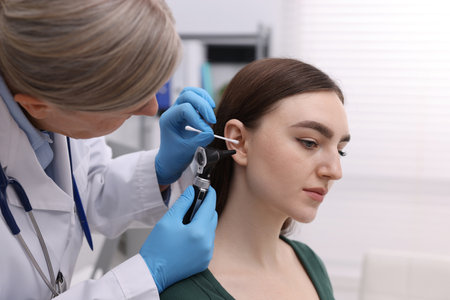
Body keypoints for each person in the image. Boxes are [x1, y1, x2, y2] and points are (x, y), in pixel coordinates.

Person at [0, 0, 218, 299]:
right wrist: (145, 276)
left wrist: (159, 172)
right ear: (36, 105)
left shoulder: (61, 102)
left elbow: (85, 187)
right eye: (129, 102)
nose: (152, 108)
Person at [160, 58, 351, 300]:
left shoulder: (310, 263)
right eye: (309, 143)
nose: (335, 171)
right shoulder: (183, 291)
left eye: (340, 150)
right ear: (238, 140)